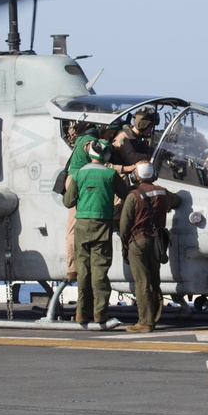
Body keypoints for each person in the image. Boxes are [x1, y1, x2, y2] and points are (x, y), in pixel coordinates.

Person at [63, 139, 129, 324]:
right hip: (102, 224)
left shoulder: (78, 174)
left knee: (83, 270)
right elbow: (125, 193)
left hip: (82, 225)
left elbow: (68, 202)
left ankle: (81, 312)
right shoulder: (110, 174)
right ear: (106, 155)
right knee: (100, 269)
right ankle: (100, 312)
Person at [119, 160, 181, 333]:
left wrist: (125, 244)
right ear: (153, 175)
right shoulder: (162, 192)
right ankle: (154, 317)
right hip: (156, 242)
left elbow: (124, 225)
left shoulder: (133, 195)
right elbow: (177, 200)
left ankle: (145, 322)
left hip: (137, 242)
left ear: (135, 176)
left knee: (142, 283)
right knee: (154, 281)